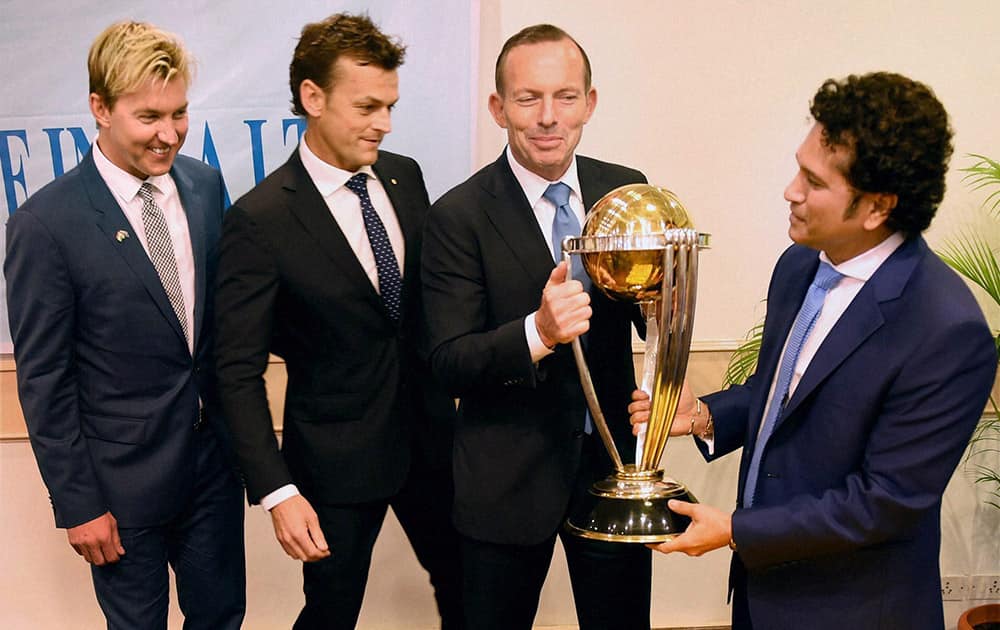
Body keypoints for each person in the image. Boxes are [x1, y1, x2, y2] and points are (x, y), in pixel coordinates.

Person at [629, 72, 997, 629]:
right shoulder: (799, 266)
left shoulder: (946, 328)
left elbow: (885, 502)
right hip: (762, 595)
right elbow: (783, 392)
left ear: (877, 207)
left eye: (813, 180)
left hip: (852, 609)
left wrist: (735, 529)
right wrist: (707, 415)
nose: (790, 190)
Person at [213, 13, 463, 629]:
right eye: (368, 106)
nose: (383, 123)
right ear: (313, 97)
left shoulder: (405, 177)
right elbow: (236, 372)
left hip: (433, 445)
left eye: (391, 107)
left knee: (471, 590)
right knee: (331, 611)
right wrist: (277, 491)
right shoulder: (260, 219)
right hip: (334, 462)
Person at [5, 21, 245, 629]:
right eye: (148, 118)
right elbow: (44, 380)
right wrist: (79, 503)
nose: (169, 135)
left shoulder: (204, 185)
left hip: (211, 469)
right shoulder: (45, 225)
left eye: (180, 113)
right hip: (120, 490)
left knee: (221, 617)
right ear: (100, 108)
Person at [421, 23, 652, 630]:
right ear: (499, 109)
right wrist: (539, 333)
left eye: (566, 97)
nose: (549, 117)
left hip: (612, 473)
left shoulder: (627, 192)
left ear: (590, 103)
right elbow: (447, 358)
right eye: (529, 99)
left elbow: (651, 315)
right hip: (504, 486)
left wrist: (661, 311)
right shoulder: (457, 216)